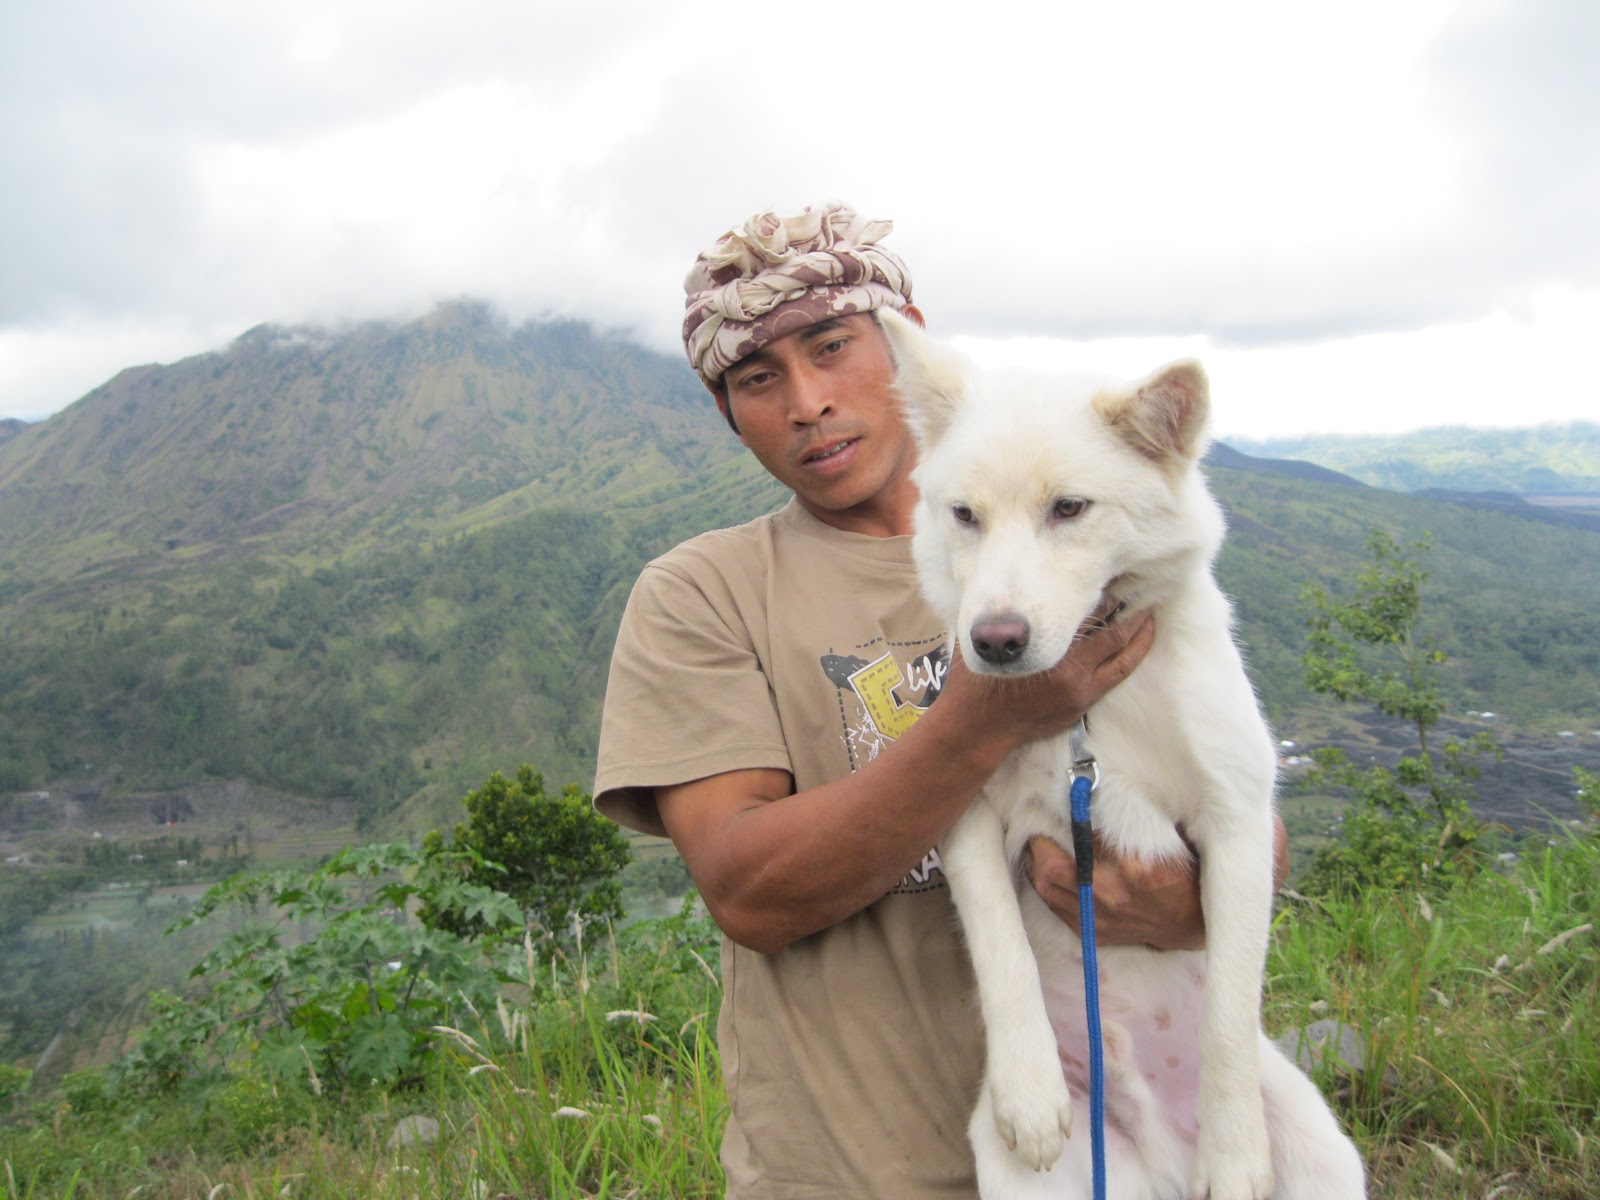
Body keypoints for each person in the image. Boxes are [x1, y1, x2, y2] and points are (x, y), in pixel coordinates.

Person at [593, 202, 1285, 1199]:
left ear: (906, 344)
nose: (808, 402)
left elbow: (1229, 806)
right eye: (757, 379)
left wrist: (1185, 905)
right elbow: (749, 890)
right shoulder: (703, 594)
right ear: (726, 412)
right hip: (849, 1170)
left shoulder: (1103, 555)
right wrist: (983, 721)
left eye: (833, 347)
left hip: (1129, 1139)